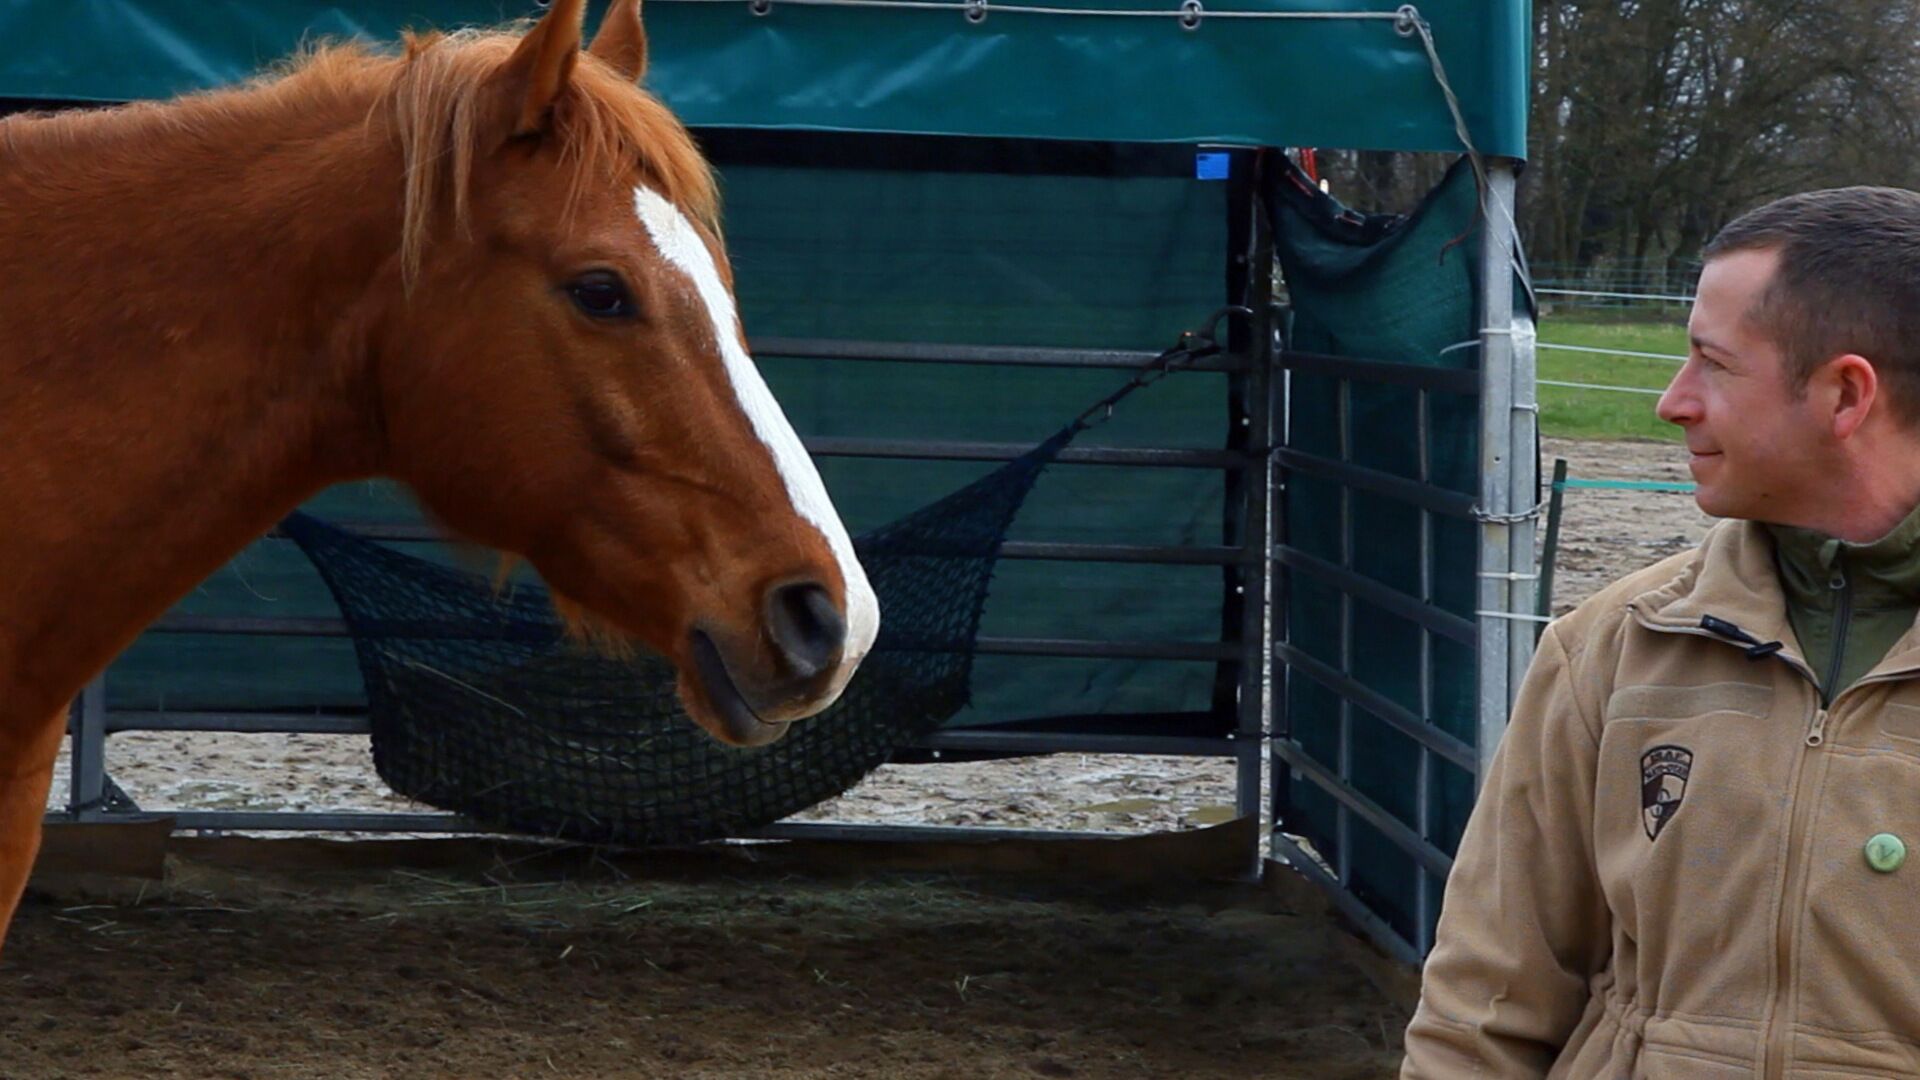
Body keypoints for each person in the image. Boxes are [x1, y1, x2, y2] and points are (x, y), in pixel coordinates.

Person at [1401, 187, 1920, 1077]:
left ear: (1845, 394)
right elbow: (1481, 1008)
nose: (1672, 403)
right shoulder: (1610, 647)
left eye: (1713, 364)